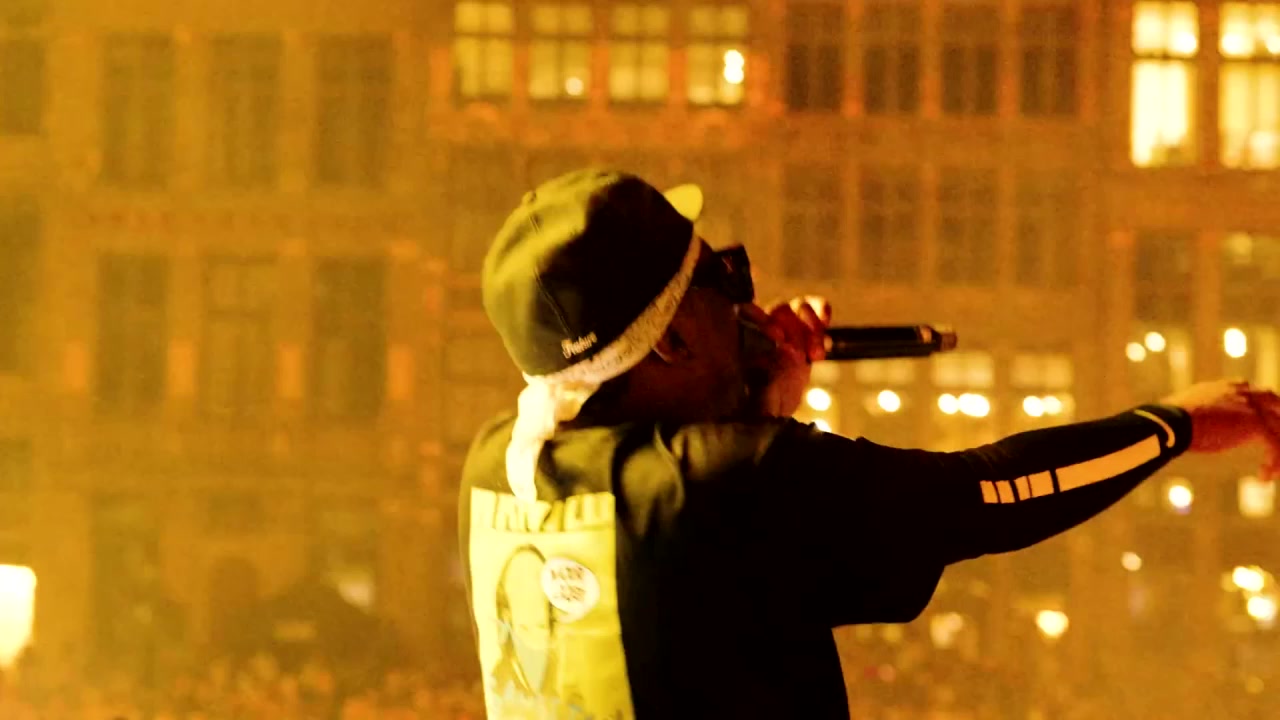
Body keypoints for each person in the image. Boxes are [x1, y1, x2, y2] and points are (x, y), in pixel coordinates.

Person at [458, 168, 1280, 720]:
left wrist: (760, 404)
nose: (747, 300)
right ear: (671, 338)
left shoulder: (496, 466)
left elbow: (696, 593)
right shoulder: (739, 484)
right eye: (721, 278)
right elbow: (990, 496)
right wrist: (1174, 423)